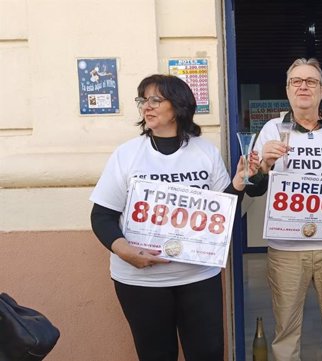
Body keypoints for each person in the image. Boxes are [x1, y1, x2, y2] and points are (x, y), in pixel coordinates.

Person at [89, 74, 259, 361]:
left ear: (179, 105)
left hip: (198, 277)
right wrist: (125, 251)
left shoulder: (205, 152)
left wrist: (239, 184)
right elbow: (102, 215)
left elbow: (223, 211)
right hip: (140, 281)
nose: (147, 106)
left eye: (156, 99)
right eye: (143, 100)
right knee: (156, 355)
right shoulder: (127, 155)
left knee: (208, 352)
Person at [245, 58, 322, 361]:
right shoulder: (271, 129)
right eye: (296, 81)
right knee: (286, 328)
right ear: (287, 90)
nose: (303, 86)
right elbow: (253, 187)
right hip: (286, 249)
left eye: (311, 81)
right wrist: (264, 166)